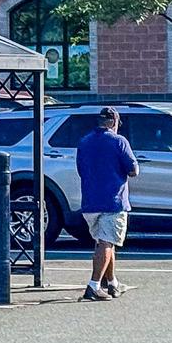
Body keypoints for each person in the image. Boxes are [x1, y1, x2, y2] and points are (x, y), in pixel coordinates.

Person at [75, 107, 137, 302]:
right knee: (106, 242)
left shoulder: (84, 142)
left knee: (104, 241)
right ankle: (93, 285)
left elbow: (80, 169)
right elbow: (133, 169)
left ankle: (112, 283)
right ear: (113, 122)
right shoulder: (119, 141)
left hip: (90, 202)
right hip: (113, 201)